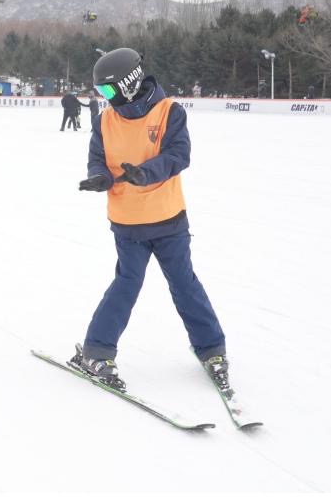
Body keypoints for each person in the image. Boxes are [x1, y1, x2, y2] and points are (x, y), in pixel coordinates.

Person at [75, 47, 228, 393]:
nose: (106, 99)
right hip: (127, 223)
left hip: (168, 218)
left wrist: (146, 173)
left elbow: (179, 154)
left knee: (184, 284)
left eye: (109, 91)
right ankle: (96, 351)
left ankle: (211, 348)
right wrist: (99, 177)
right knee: (126, 285)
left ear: (129, 82)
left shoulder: (168, 112)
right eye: (101, 93)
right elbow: (98, 158)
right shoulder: (104, 120)